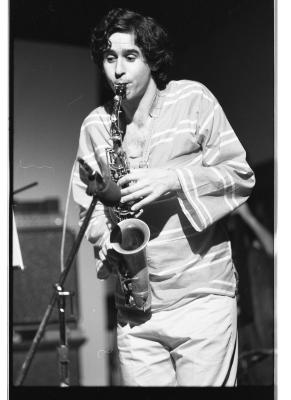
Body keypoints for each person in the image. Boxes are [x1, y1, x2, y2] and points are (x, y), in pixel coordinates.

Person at [72, 8, 255, 386]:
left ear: (152, 59)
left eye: (130, 56)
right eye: (109, 58)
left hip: (202, 300)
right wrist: (104, 239)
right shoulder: (95, 126)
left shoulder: (193, 99)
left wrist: (173, 179)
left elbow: (240, 175)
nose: (118, 71)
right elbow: (85, 207)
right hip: (135, 308)